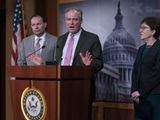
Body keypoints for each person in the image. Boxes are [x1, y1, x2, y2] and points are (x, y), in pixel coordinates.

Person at [55, 8, 103, 119]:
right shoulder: (61, 40)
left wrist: (88, 66)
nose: (71, 23)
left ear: (81, 20)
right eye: (68, 19)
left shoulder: (92, 38)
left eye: (75, 19)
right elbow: (57, 62)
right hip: (60, 87)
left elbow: (99, 63)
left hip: (81, 88)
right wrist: (43, 63)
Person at [131, 17, 160, 120]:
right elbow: (135, 72)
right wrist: (134, 92)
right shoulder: (141, 49)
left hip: (154, 96)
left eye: (144, 28)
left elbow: (157, 74)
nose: (140, 30)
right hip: (139, 97)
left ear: (153, 31)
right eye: (140, 28)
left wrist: (141, 92)